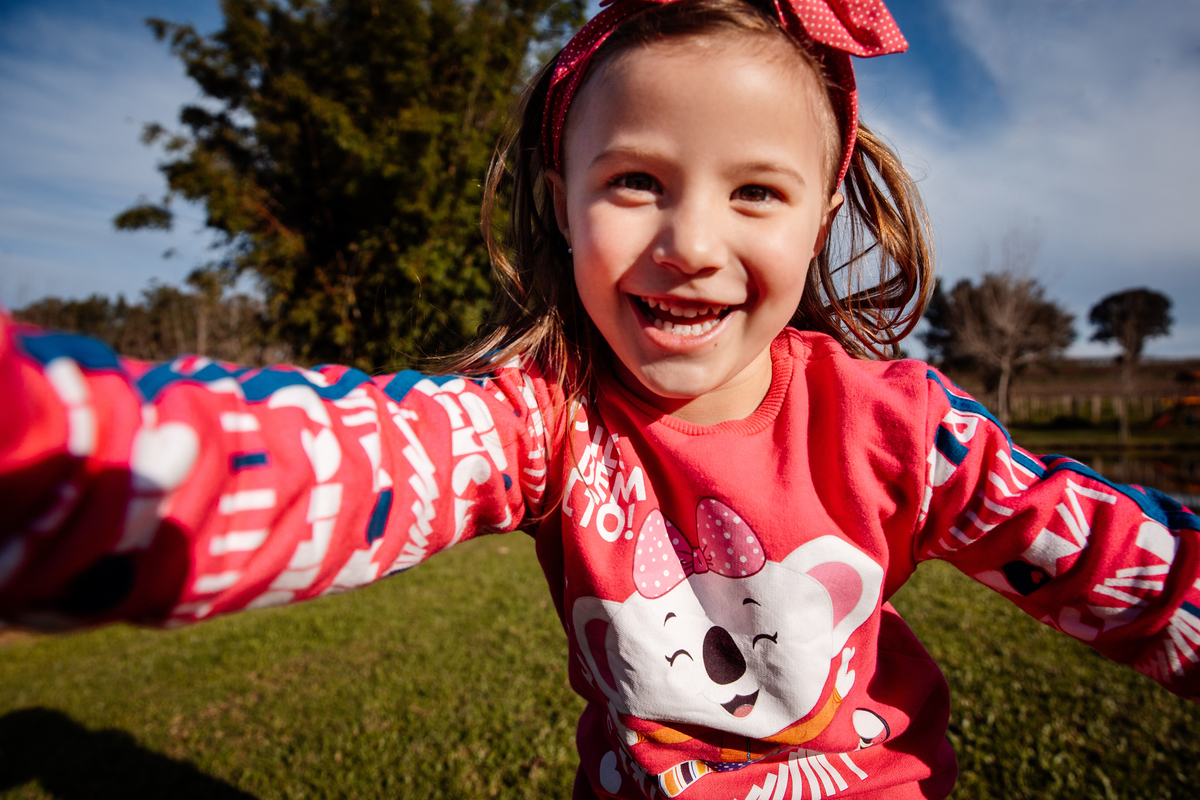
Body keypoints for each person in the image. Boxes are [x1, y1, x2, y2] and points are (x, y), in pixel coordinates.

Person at [1, 0, 1197, 798]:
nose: (691, 241)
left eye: (756, 192)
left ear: (823, 211)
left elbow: (1122, 563)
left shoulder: (899, 427)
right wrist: (75, 458)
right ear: (563, 200)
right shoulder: (541, 419)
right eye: (636, 180)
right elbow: (347, 460)